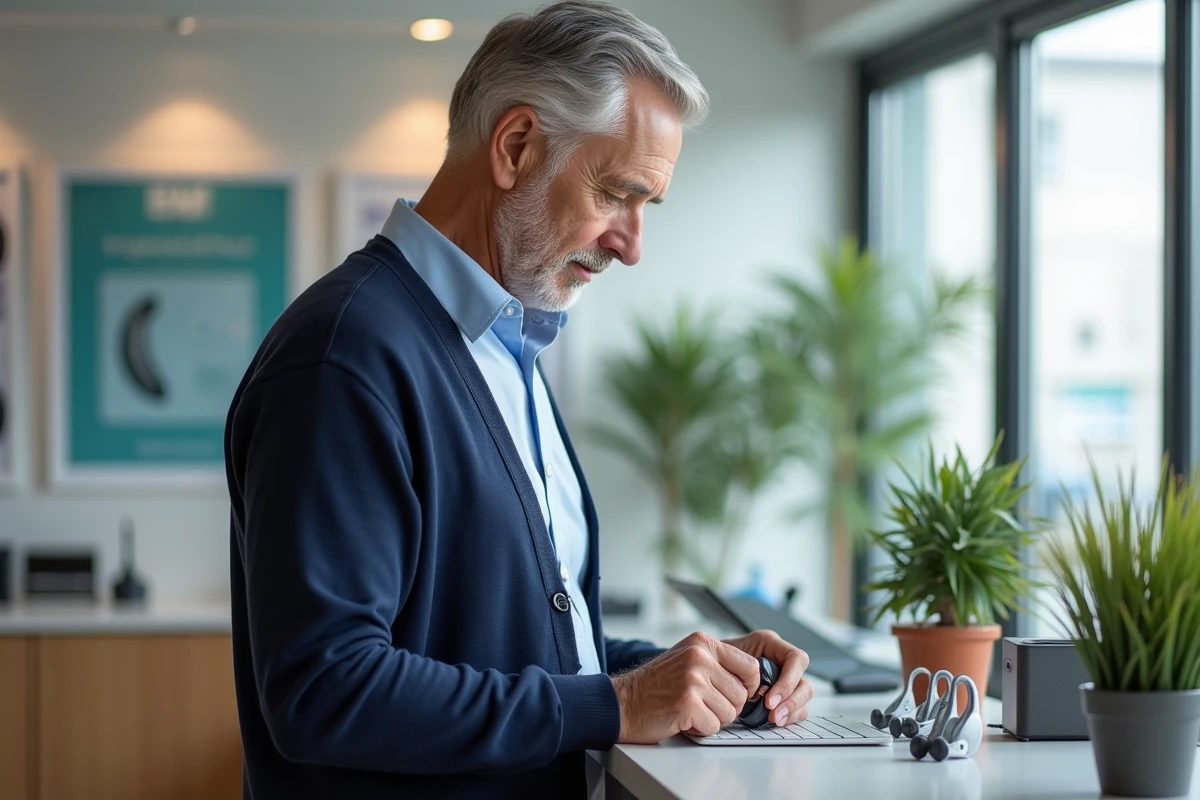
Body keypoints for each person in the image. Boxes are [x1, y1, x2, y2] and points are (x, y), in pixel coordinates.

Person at [224, 2, 814, 797]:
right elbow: (326, 689)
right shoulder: (345, 357)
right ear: (516, 146)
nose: (632, 245)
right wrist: (617, 702)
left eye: (648, 207)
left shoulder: (503, 344)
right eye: (617, 194)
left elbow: (512, 649)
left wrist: (687, 675)